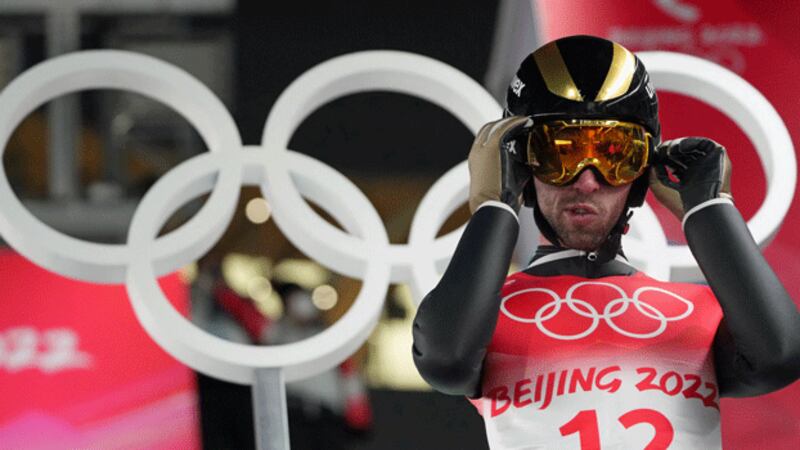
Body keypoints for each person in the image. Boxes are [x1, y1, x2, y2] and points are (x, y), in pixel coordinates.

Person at [412, 35, 800, 449]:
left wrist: (708, 209)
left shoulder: (697, 312)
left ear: (642, 171)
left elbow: (780, 357)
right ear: (522, 166)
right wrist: (495, 204)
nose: (587, 180)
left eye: (617, 155)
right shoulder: (486, 317)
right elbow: (446, 360)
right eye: (560, 152)